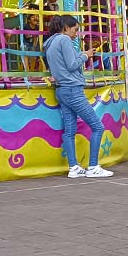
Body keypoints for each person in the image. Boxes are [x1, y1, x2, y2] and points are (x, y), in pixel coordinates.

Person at [44, 15, 112, 178]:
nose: (76, 34)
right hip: (73, 89)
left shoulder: (49, 43)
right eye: (75, 30)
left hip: (61, 90)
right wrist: (85, 55)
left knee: (69, 130)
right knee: (97, 126)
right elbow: (72, 64)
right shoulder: (64, 40)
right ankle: (93, 166)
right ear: (66, 28)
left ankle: (73, 167)